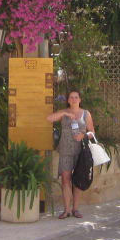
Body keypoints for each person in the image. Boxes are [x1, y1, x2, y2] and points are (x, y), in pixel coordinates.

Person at [46, 89, 94, 219]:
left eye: (76, 97)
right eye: (71, 97)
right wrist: (64, 112)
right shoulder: (64, 113)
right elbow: (49, 118)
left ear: (80, 99)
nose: (74, 99)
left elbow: (92, 133)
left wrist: (83, 135)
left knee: (77, 180)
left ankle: (75, 209)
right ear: (68, 100)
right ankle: (66, 210)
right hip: (66, 150)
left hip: (81, 151)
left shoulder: (86, 114)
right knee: (65, 180)